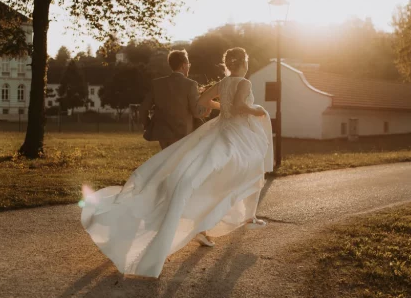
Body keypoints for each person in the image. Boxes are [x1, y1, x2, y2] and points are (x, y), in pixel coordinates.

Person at [81, 47, 273, 278]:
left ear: (228, 64)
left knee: (190, 172)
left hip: (213, 130)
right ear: (244, 62)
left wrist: (225, 107)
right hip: (235, 133)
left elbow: (204, 100)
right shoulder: (244, 83)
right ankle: (223, 217)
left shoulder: (222, 83)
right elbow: (240, 106)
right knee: (240, 169)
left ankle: (230, 216)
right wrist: (257, 110)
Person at [138, 49, 209, 150]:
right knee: (179, 163)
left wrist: (148, 125)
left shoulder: (157, 84)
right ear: (184, 65)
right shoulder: (190, 84)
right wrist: (207, 105)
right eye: (188, 64)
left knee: (167, 161)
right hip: (183, 133)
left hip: (162, 132)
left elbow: (143, 109)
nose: (189, 66)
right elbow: (196, 113)